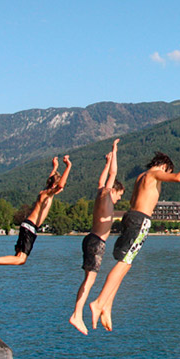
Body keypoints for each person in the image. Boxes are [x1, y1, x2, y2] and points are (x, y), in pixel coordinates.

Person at [88, 151, 180, 331]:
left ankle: (107, 305)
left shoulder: (140, 177)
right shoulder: (154, 173)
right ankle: (99, 302)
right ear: (164, 166)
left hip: (130, 218)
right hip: (140, 221)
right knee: (124, 263)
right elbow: (179, 178)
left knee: (126, 263)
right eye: (167, 171)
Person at [0, 155, 72, 276]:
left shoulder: (44, 192)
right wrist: (68, 166)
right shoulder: (47, 194)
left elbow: (53, 181)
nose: (62, 188)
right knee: (21, 259)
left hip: (27, 226)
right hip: (30, 227)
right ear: (54, 186)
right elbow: (60, 185)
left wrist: (55, 167)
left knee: (18, 258)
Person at [69, 139, 124, 335]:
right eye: (119, 195)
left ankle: (78, 313)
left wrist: (107, 161)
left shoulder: (101, 193)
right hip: (96, 243)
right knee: (90, 281)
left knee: (89, 279)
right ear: (114, 190)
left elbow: (101, 180)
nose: (118, 199)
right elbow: (112, 175)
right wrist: (114, 150)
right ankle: (77, 314)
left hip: (92, 240)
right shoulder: (106, 195)